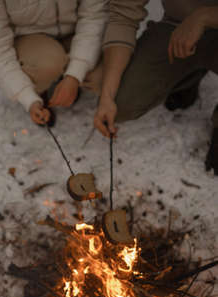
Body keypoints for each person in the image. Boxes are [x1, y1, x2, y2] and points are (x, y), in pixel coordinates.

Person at [93, 1, 218, 175]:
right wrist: (107, 96)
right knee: (121, 103)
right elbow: (123, 15)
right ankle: (190, 76)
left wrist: (205, 16)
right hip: (176, 26)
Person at [0, 0, 107, 126]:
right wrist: (29, 99)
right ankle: (40, 91)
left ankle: (65, 81)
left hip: (77, 33)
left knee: (102, 77)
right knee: (47, 64)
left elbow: (94, 17)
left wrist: (75, 75)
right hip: (31, 41)